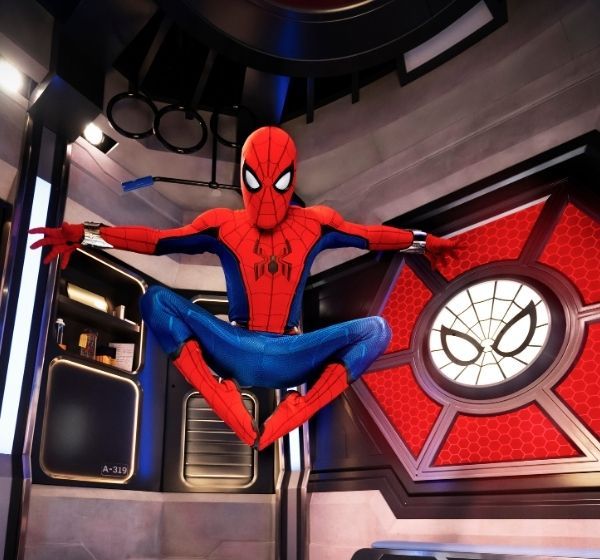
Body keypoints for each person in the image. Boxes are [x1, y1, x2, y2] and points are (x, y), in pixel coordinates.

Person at [31, 126, 459, 450]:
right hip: (235, 347)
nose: (267, 196)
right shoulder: (222, 225)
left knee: (376, 330)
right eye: (256, 182)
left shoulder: (316, 223)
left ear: (292, 178)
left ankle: (296, 410)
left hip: (289, 353)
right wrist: (84, 233)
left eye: (279, 183)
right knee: (155, 299)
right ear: (242, 177)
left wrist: (423, 243)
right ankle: (222, 398)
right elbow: (157, 241)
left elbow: (372, 236)